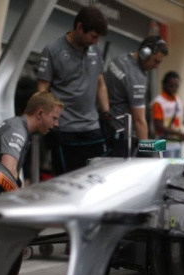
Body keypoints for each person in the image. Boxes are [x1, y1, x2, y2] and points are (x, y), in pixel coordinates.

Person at [37, 6, 112, 175]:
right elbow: (42, 89)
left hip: (92, 127)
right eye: (93, 36)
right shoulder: (53, 50)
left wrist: (106, 113)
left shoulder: (96, 51)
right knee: (67, 181)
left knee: (97, 178)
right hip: (64, 129)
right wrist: (48, 121)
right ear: (79, 27)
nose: (96, 42)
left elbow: (100, 84)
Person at [0, 91, 63, 184]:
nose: (56, 124)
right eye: (54, 118)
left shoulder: (18, 126)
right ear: (40, 113)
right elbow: (8, 173)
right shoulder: (17, 131)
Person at [104, 35, 168, 156]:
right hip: (125, 137)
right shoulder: (137, 78)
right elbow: (139, 121)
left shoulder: (118, 60)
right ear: (145, 53)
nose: (157, 66)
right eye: (156, 61)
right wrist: (146, 151)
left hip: (108, 129)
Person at [151, 71, 184, 143]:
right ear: (164, 85)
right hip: (162, 141)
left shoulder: (177, 99)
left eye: (176, 86)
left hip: (176, 141)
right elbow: (158, 126)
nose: (174, 88)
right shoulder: (158, 102)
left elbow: (181, 119)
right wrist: (179, 134)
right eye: (171, 86)